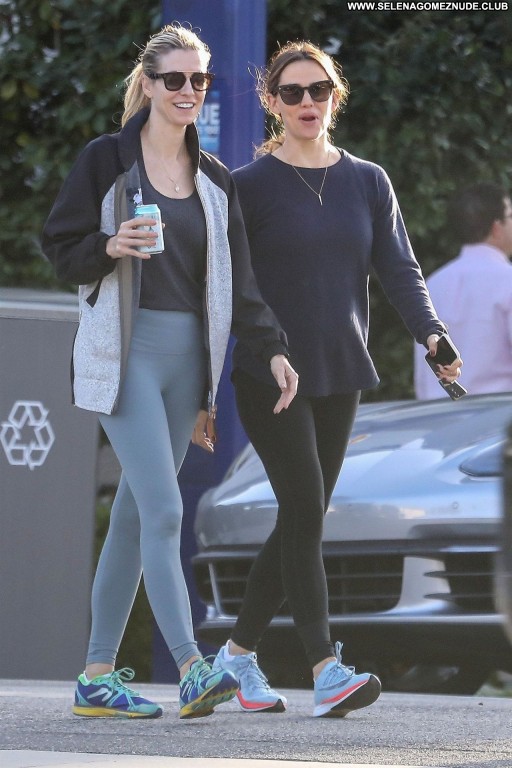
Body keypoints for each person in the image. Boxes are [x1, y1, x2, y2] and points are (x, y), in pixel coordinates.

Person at [41, 24, 297, 721]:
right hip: (126, 355)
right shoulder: (106, 160)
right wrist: (109, 244)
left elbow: (240, 281)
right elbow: (59, 246)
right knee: (164, 510)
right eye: (175, 79)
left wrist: (272, 347)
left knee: (133, 517)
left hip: (190, 364)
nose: (188, 90)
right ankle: (191, 667)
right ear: (149, 84)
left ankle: (96, 676)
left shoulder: (214, 178)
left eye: (199, 79)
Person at [210, 40, 462, 719]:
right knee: (303, 507)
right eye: (292, 92)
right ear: (272, 102)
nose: (307, 102)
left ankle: (235, 655)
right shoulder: (247, 186)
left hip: (340, 370)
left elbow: (400, 268)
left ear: (334, 97)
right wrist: (266, 349)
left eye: (318, 90)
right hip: (270, 375)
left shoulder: (368, 181)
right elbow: (235, 287)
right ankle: (326, 669)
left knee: (305, 514)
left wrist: (432, 334)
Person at [414, 182, 512, 399]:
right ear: (497, 227)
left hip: (438, 413)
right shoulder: (508, 280)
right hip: (499, 413)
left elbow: (423, 373)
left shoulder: (432, 283)